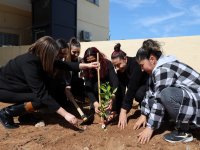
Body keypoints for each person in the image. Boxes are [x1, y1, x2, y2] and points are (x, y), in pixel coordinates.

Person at [0, 36, 98, 129]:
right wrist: (66, 114)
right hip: (5, 90)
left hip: (18, 87)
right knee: (40, 99)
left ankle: (25, 115)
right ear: (46, 52)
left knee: (48, 91)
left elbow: (63, 64)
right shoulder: (29, 63)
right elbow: (42, 94)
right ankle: (6, 113)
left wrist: (87, 65)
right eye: (54, 55)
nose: (56, 57)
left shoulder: (40, 57)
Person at [134, 39, 200, 144]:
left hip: (197, 102)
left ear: (152, 59)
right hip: (192, 101)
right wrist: (144, 114)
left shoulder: (163, 69)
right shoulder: (156, 70)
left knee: (166, 94)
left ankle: (184, 130)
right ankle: (178, 120)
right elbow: (150, 93)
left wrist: (150, 127)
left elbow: (160, 99)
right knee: (153, 100)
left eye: (142, 65)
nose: (141, 69)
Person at [111, 43, 148, 129]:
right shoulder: (121, 70)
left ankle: (146, 112)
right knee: (133, 93)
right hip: (136, 89)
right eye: (114, 66)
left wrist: (124, 111)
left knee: (139, 94)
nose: (116, 68)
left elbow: (132, 88)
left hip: (147, 87)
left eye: (118, 64)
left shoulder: (136, 64)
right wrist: (116, 110)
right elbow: (121, 89)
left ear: (125, 58)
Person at [83, 47, 119, 120]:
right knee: (95, 86)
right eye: (88, 62)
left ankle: (112, 108)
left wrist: (112, 98)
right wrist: (95, 103)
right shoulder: (87, 68)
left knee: (103, 85)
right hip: (96, 96)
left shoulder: (107, 63)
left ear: (98, 58)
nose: (91, 64)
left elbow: (115, 81)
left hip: (109, 94)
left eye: (93, 61)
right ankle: (97, 106)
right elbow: (88, 88)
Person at [68, 37, 85, 103]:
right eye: (74, 52)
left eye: (78, 52)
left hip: (76, 85)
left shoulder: (80, 60)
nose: (76, 54)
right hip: (67, 85)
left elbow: (82, 75)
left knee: (80, 81)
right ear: (69, 50)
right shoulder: (65, 60)